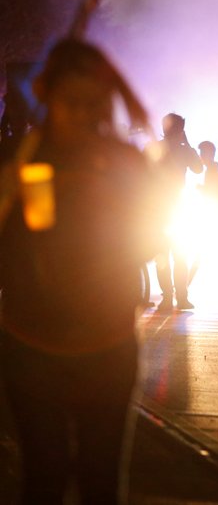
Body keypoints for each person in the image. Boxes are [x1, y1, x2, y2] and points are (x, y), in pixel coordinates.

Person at [0, 39, 161, 503]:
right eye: (73, 102)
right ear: (49, 96)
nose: (84, 114)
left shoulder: (126, 163)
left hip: (106, 339)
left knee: (101, 478)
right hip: (33, 339)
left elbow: (152, 236)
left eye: (94, 103)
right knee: (44, 474)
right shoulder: (24, 160)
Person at [148, 112, 202, 311]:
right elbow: (198, 168)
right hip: (169, 207)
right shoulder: (174, 149)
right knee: (177, 255)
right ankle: (178, 297)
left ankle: (172, 297)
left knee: (167, 255)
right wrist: (186, 145)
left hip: (163, 208)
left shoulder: (159, 148)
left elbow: (197, 169)